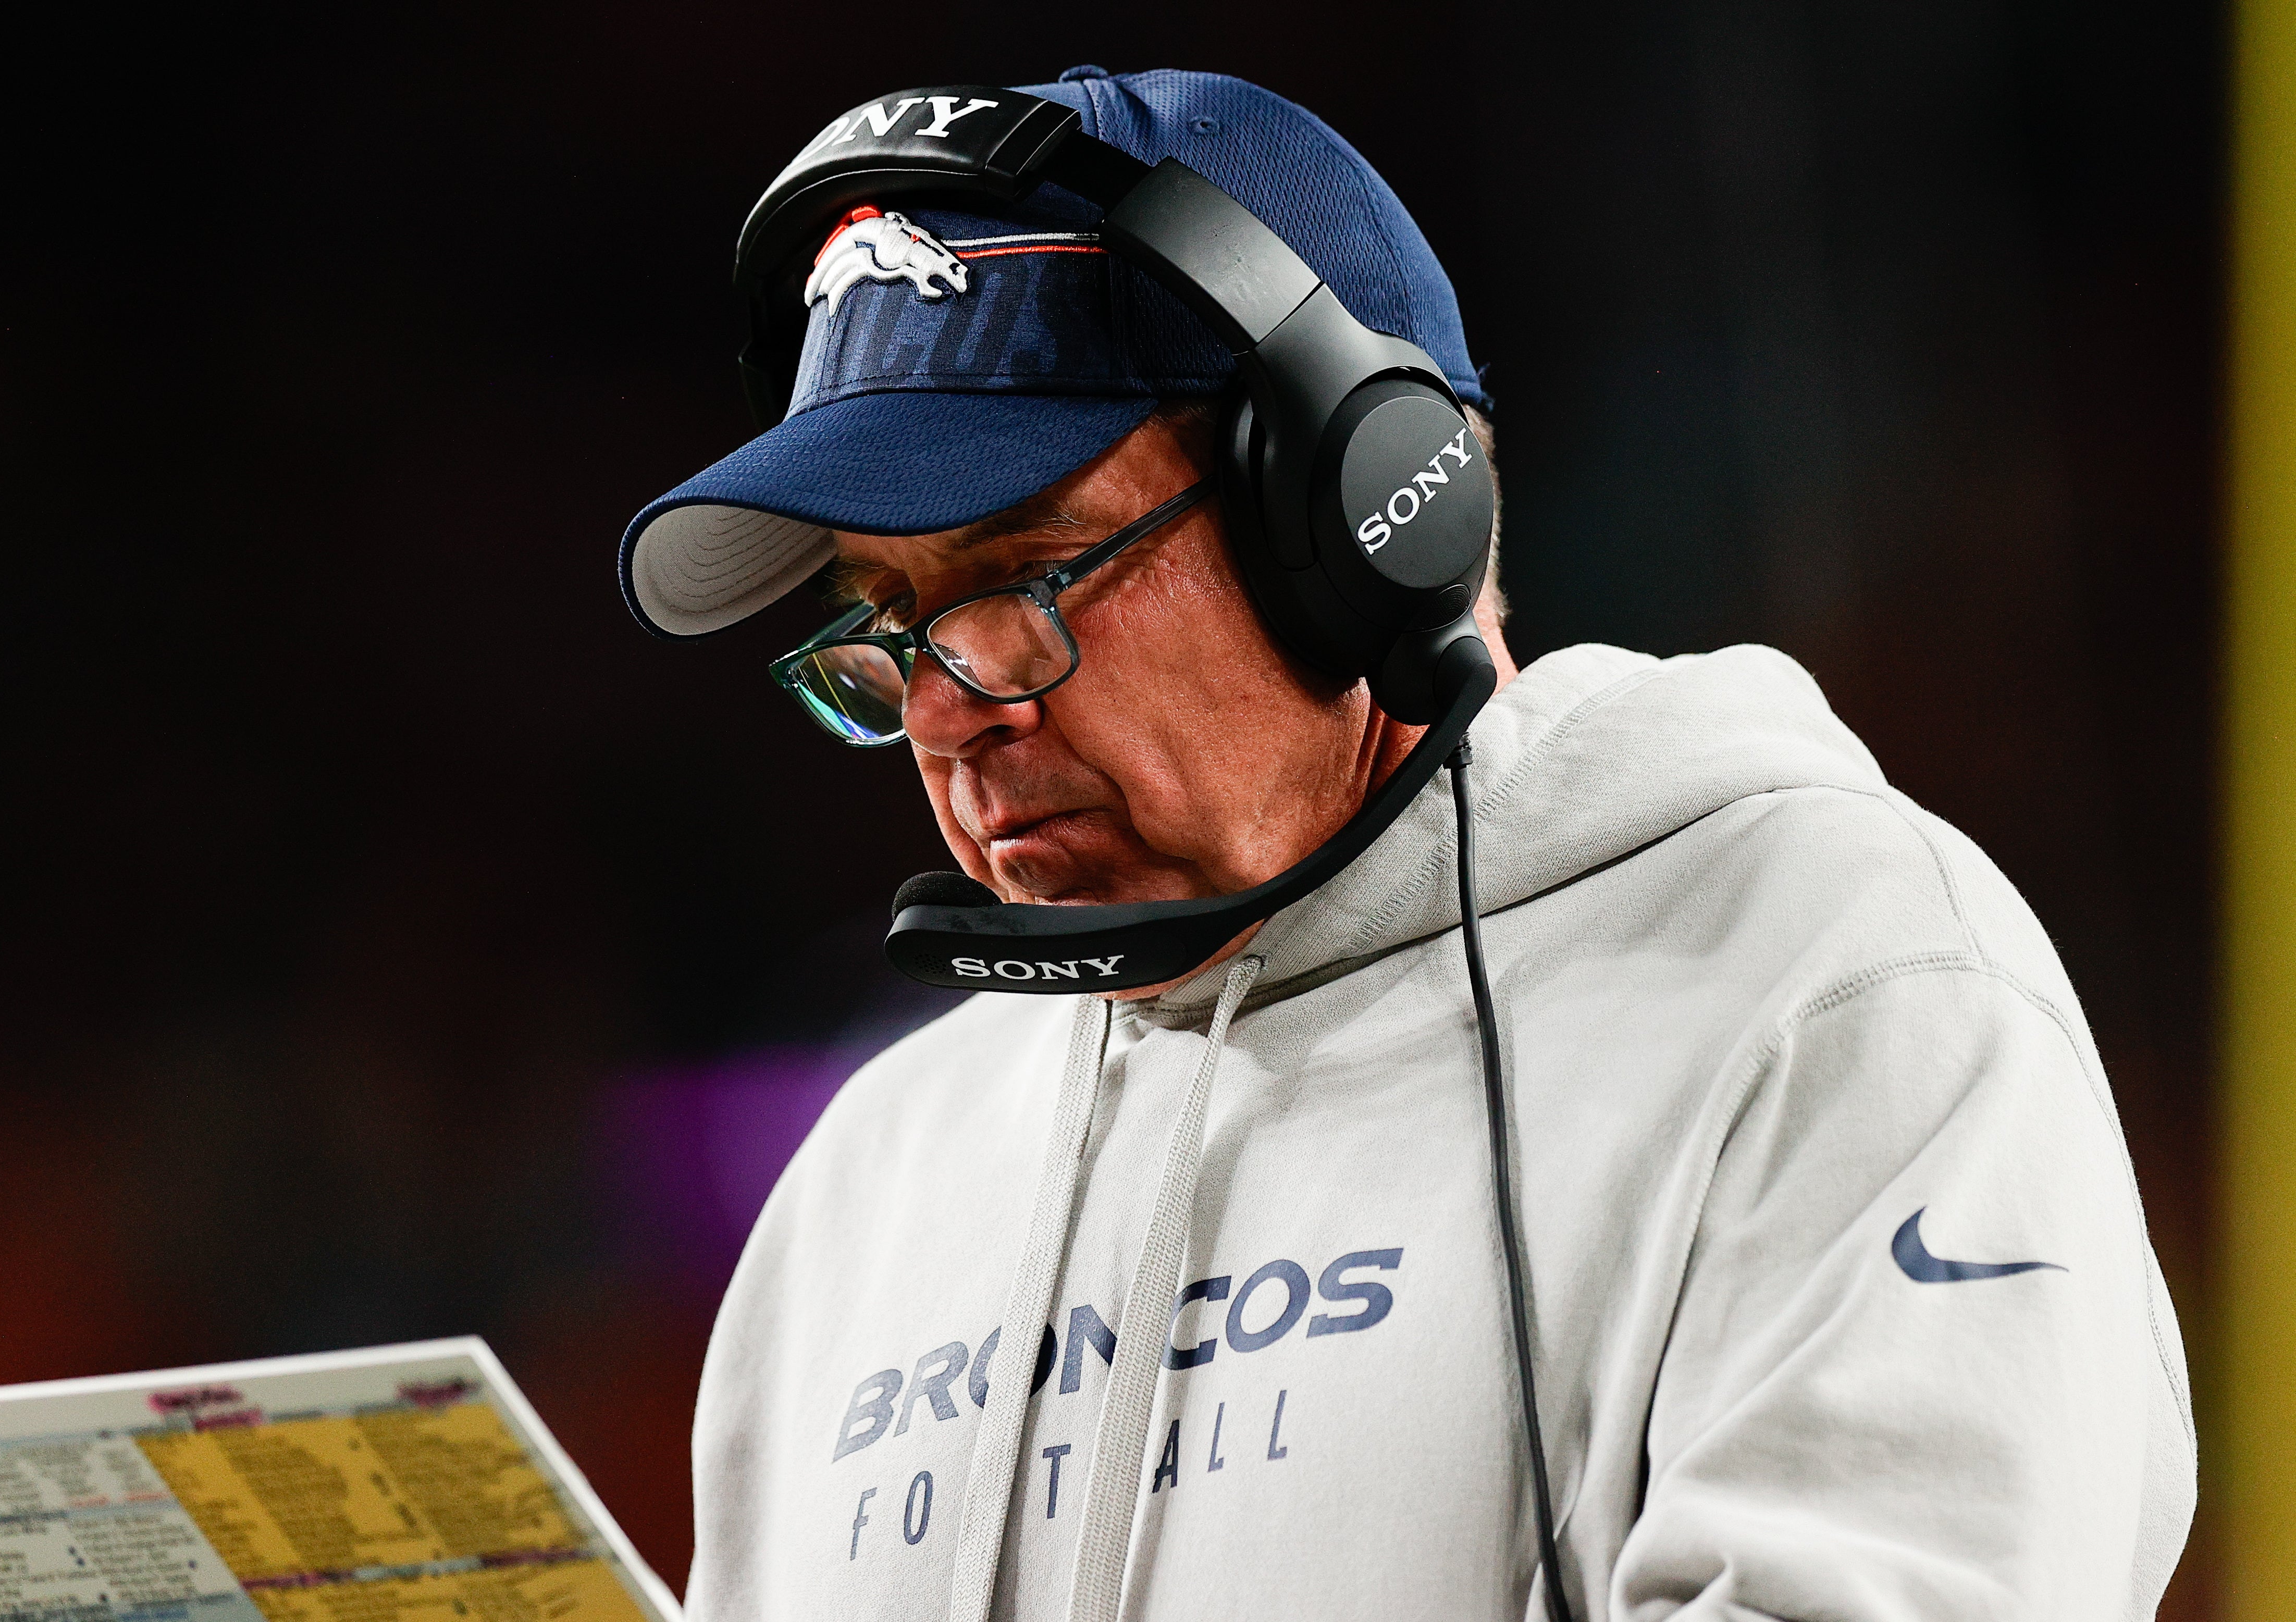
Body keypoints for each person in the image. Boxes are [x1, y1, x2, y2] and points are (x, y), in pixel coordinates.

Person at [619, 67, 2194, 1621]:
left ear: (1358, 521)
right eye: (891, 620)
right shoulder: (870, 1183)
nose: (947, 713)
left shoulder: (1839, 987)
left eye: (1022, 577)